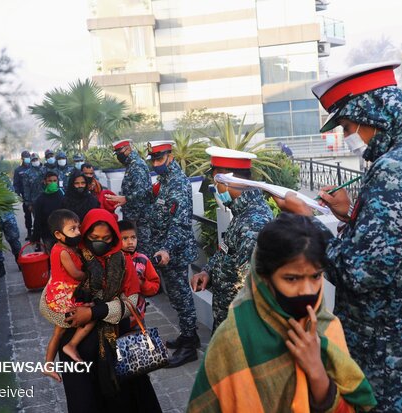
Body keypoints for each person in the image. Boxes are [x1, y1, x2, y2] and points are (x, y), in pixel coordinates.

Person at [275, 61, 402, 412]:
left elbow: (360, 273)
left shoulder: (395, 168)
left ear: (373, 113)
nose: (352, 137)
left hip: (397, 375)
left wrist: (308, 222)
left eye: (350, 126)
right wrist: (350, 215)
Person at [187, 213, 377, 413]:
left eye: (315, 276)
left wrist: (317, 373)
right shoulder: (232, 340)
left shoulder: (328, 329)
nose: (307, 290)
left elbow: (351, 407)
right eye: (292, 279)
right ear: (264, 278)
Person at [39, 208, 162, 412]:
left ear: (114, 237)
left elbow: (131, 302)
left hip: (116, 343)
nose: (100, 242)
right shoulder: (71, 255)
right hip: (77, 347)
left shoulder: (122, 261)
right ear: (83, 232)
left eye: (106, 237)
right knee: (84, 401)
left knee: (124, 400)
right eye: (94, 236)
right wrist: (66, 315)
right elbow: (49, 297)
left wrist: (94, 312)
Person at [190, 147, 273, 332]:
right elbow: (227, 251)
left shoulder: (253, 223)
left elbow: (251, 288)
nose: (215, 187)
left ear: (225, 179)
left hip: (240, 328)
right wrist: (208, 272)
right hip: (227, 321)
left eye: (215, 180)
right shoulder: (242, 212)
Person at [147, 140, 199, 368]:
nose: (156, 164)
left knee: (182, 296)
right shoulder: (165, 181)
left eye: (160, 159)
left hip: (174, 250)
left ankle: (190, 346)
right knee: (176, 296)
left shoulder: (177, 183)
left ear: (171, 157)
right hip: (164, 249)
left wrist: (166, 248)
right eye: (154, 160)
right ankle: (187, 336)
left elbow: (180, 223)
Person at [42, 209, 94, 382]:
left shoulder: (67, 246)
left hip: (62, 290)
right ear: (58, 234)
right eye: (72, 229)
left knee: (58, 331)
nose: (78, 232)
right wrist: (88, 274)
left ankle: (48, 365)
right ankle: (71, 346)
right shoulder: (62, 252)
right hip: (65, 294)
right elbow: (75, 274)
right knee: (92, 314)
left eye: (78, 228)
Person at [105, 139, 154, 257]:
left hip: (140, 219)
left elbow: (142, 191)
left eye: (119, 153)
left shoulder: (136, 165)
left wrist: (126, 199)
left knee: (142, 254)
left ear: (127, 149)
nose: (118, 156)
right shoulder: (131, 164)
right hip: (135, 216)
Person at [118, 219, 160, 326]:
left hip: (137, 315)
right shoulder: (114, 260)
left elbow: (155, 286)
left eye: (133, 237)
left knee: (139, 339)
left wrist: (142, 283)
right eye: (125, 238)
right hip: (117, 312)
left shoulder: (143, 260)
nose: (130, 242)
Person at [0, 159, 22, 277]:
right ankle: (1, 267)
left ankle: (19, 261)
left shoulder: (4, 178)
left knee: (14, 240)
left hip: (7, 215)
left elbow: (12, 193)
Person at [32, 171, 64, 253]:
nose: (52, 183)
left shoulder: (62, 195)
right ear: (45, 182)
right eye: (50, 181)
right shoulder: (40, 199)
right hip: (47, 235)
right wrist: (36, 237)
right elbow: (37, 219)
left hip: (62, 233)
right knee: (51, 256)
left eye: (54, 181)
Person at [13, 150, 32, 239]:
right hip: (25, 197)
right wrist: (18, 195)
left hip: (36, 195)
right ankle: (29, 232)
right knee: (27, 215)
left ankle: (38, 231)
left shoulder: (34, 167)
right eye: (25, 157)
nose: (27, 159)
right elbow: (16, 184)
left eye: (28, 157)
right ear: (22, 159)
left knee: (39, 215)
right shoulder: (18, 170)